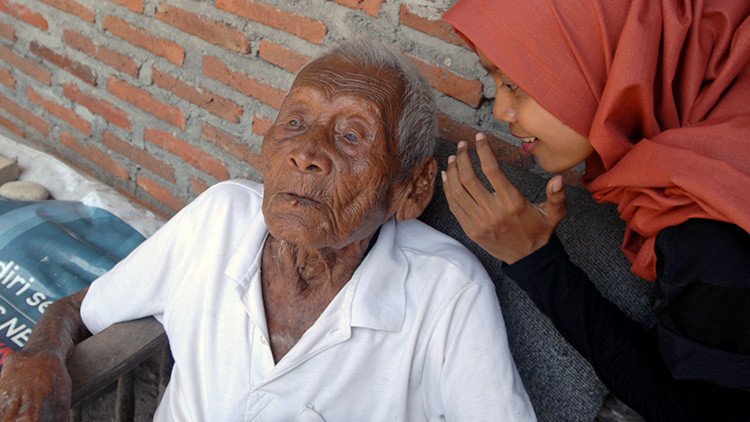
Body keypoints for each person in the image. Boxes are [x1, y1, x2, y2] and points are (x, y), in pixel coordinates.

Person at [0, 39, 535, 421]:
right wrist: (39, 356)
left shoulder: (447, 292)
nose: (306, 152)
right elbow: (76, 309)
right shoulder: (222, 217)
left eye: (351, 135)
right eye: (296, 123)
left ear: (411, 189)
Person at [440, 0, 750, 420]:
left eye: (515, 83)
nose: (500, 110)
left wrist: (536, 261)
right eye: (493, 81)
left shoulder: (717, 235)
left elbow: (688, 411)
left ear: (608, 65)